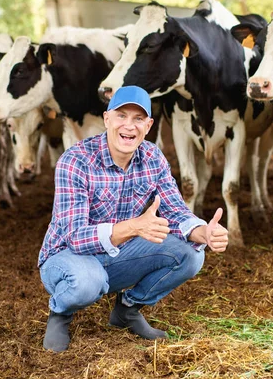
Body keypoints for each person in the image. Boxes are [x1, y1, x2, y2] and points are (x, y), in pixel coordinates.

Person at [38, 85, 229, 352]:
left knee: (191, 254)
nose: (129, 126)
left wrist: (202, 232)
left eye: (138, 118)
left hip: (116, 254)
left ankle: (127, 310)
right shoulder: (76, 160)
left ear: (149, 125)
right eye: (121, 116)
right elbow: (76, 237)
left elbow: (176, 212)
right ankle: (61, 313)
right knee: (87, 282)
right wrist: (134, 227)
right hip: (66, 258)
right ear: (107, 119)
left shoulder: (153, 158)